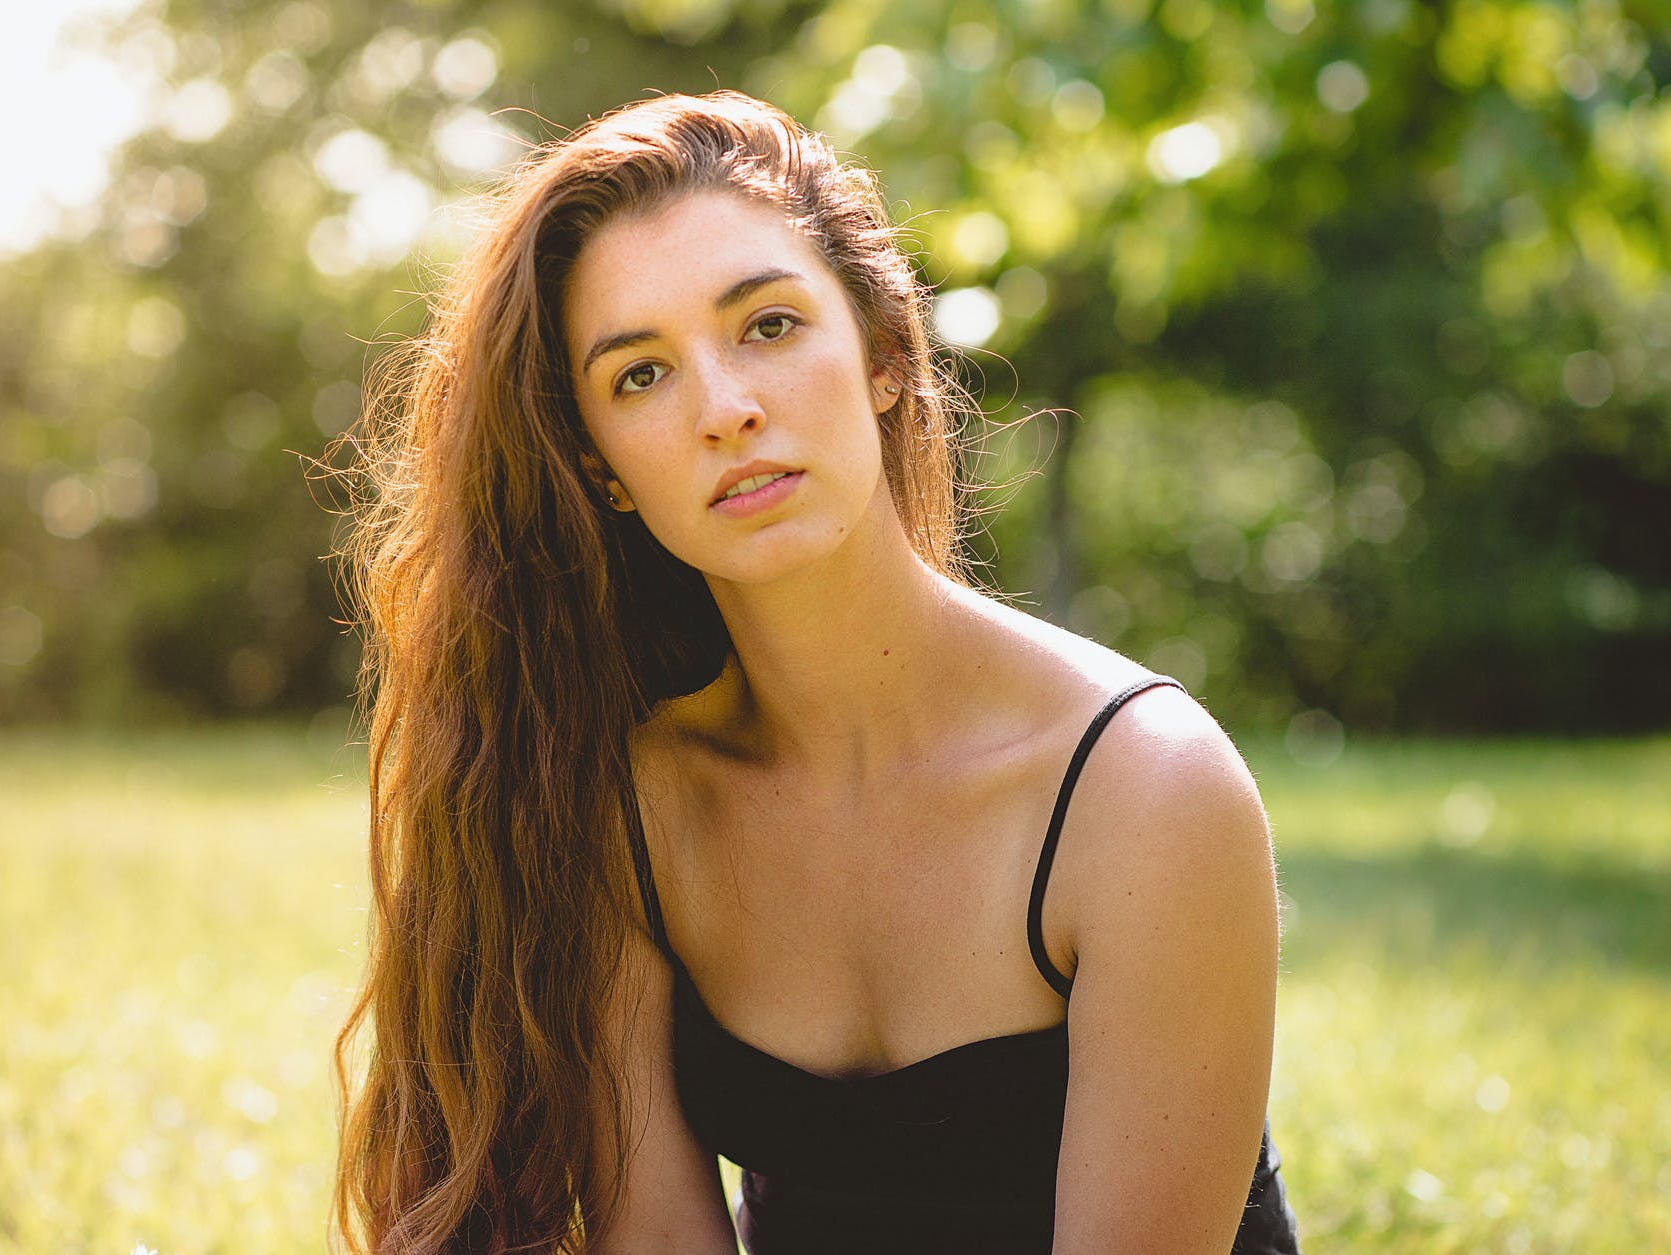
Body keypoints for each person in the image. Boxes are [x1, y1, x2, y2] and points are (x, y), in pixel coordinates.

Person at [331, 90, 1300, 1255]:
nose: (725, 410)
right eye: (640, 375)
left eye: (769, 326)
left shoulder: (1142, 791)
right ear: (602, 474)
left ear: (886, 356)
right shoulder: (632, 807)